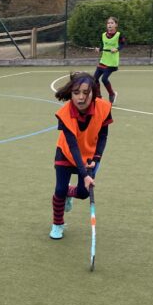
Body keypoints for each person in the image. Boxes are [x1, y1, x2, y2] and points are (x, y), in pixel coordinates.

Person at [50, 71, 112, 240]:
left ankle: (71, 193)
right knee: (60, 189)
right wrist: (84, 174)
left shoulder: (104, 107)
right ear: (71, 93)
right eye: (76, 93)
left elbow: (103, 135)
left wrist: (96, 159)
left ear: (93, 92)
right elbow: (72, 146)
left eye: (86, 93)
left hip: (90, 156)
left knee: (84, 194)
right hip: (66, 152)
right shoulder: (64, 114)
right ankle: (57, 224)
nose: (81, 97)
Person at [93, 16, 125, 104]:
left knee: (104, 79)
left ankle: (112, 94)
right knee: (94, 79)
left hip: (112, 62)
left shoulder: (119, 35)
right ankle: (98, 97)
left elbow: (122, 44)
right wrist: (99, 49)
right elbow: (103, 46)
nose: (109, 25)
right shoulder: (103, 35)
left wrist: (117, 49)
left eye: (112, 23)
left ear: (116, 25)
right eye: (108, 23)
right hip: (103, 60)